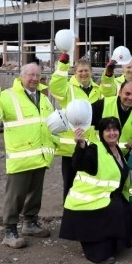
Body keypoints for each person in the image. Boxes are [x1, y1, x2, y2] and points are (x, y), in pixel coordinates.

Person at [0, 63, 56, 249]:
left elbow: (49, 124)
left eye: (37, 75)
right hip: (21, 157)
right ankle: (9, 231)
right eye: (30, 75)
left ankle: (30, 223)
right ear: (21, 76)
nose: (34, 79)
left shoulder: (44, 98)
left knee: (35, 194)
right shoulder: (7, 95)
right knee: (15, 196)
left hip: (40, 156)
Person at [59, 117, 132, 264]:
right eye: (108, 130)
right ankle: (95, 246)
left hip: (105, 197)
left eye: (115, 129)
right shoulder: (94, 148)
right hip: (88, 202)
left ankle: (111, 242)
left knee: (125, 210)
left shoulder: (117, 150)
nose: (112, 133)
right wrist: (81, 146)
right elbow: (79, 164)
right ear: (101, 133)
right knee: (115, 210)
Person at [49, 55, 101, 201]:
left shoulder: (98, 90)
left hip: (91, 145)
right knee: (70, 183)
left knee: (89, 182)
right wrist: (63, 65)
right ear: (75, 73)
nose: (83, 74)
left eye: (86, 71)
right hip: (71, 147)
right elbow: (55, 86)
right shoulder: (68, 89)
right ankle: (68, 215)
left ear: (91, 71)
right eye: (80, 71)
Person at [91, 81, 132, 156]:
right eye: (127, 94)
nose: (130, 97)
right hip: (98, 154)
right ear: (120, 92)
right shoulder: (102, 104)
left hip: (123, 158)